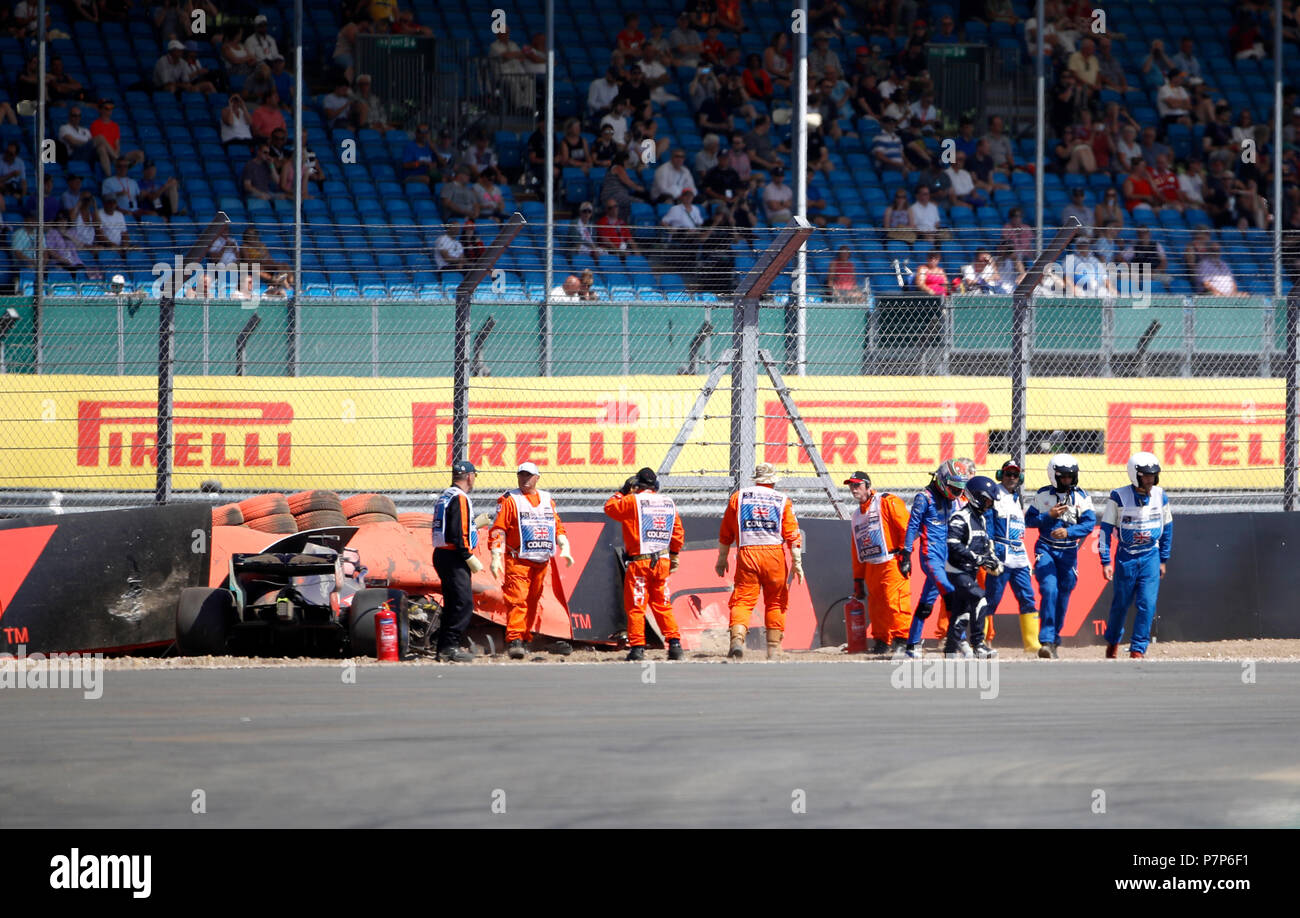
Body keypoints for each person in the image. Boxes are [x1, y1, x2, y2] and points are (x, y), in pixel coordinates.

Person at [715, 462, 803, 660]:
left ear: (756, 479)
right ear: (773, 481)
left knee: (743, 600)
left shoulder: (738, 497)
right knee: (776, 601)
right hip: (774, 554)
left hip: (747, 552)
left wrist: (722, 558)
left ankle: (737, 640)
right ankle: (773, 648)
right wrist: (797, 562)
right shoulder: (782, 499)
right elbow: (792, 533)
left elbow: (726, 531)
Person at [490, 462, 575, 659]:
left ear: (537, 477)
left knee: (533, 601)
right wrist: (495, 555)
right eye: (521, 475)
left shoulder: (547, 499)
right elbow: (498, 529)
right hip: (518, 560)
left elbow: (557, 525)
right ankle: (515, 639)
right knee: (517, 600)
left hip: (541, 561)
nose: (524, 479)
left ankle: (526, 637)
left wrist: (565, 545)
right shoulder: (510, 500)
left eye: (528, 475)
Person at [604, 467, 687, 662]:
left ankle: (637, 648)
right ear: (655, 485)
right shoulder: (668, 502)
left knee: (636, 605)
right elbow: (677, 533)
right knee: (662, 604)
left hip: (640, 562)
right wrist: (674, 554)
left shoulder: (632, 501)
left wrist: (623, 491)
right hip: (662, 560)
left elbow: (610, 508)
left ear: (637, 484)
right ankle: (675, 644)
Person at [1099, 452, 1173, 659]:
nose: (1150, 480)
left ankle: (1138, 649)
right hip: (1126, 557)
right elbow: (1105, 530)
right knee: (1120, 604)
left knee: (1147, 603)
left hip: (1151, 555)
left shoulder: (1160, 495)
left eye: (1153, 475)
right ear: (1134, 475)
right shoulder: (1118, 496)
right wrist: (1105, 561)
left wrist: (1163, 559)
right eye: (1146, 476)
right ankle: (1113, 641)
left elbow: (1168, 528)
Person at [1025, 453, 1097, 659]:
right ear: (1053, 476)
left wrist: (1069, 532)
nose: (1067, 480)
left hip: (1068, 552)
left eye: (1070, 476)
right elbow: (1029, 521)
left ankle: (1055, 639)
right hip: (1046, 549)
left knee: (1064, 594)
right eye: (1063, 477)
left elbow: (1089, 523)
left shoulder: (1081, 497)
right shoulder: (1042, 495)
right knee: (1049, 589)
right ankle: (1046, 640)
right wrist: (1049, 516)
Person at [902, 458, 975, 657]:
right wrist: (906, 554)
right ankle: (959, 641)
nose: (958, 492)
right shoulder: (924, 498)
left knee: (926, 602)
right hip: (931, 556)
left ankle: (912, 644)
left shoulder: (955, 500)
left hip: (948, 556)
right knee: (951, 593)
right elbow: (912, 526)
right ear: (943, 480)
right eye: (955, 487)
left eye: (961, 488)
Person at [847, 471, 912, 657]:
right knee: (876, 606)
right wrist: (858, 578)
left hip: (891, 561)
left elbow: (906, 528)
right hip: (871, 564)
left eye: (857, 485)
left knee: (895, 601)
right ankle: (882, 641)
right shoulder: (857, 515)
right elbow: (856, 549)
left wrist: (906, 554)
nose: (853, 489)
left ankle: (902, 640)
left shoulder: (886, 501)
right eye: (851, 486)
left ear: (868, 486)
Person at [984, 460, 1041, 653]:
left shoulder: (1017, 497)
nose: (1011, 478)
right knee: (992, 599)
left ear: (1020, 478)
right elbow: (988, 522)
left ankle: (1032, 644)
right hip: (1000, 552)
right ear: (1001, 475)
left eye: (1015, 475)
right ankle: (980, 641)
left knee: (1028, 597)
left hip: (1019, 555)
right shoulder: (994, 493)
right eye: (1008, 473)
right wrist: (990, 549)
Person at [943, 476, 1002, 659]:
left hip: (970, 572)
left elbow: (984, 545)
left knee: (962, 612)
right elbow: (953, 544)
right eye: (987, 500)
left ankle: (950, 649)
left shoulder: (981, 519)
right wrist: (978, 559)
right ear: (975, 496)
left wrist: (992, 559)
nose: (989, 505)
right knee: (979, 598)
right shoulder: (960, 517)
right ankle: (978, 645)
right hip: (957, 571)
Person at [430, 460, 482, 662]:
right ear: (469, 476)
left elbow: (454, 525)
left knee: (453, 602)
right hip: (454, 555)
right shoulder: (460, 497)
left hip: (443, 554)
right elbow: (458, 532)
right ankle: (449, 647)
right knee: (463, 603)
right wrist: (467, 555)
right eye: (474, 476)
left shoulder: (446, 495)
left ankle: (444, 647)